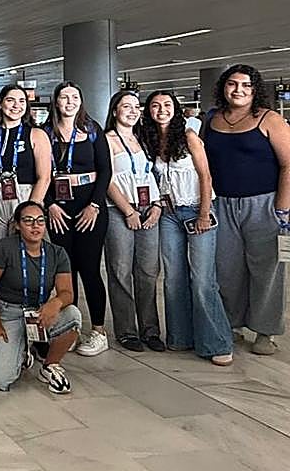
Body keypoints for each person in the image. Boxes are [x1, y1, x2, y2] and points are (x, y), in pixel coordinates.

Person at [201, 64, 290, 355]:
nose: (238, 90)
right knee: (227, 268)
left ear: (255, 90)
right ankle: (232, 323)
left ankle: (265, 330)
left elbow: (288, 164)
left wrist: (283, 209)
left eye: (246, 86)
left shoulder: (270, 119)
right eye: (232, 84)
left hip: (264, 204)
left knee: (267, 269)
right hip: (222, 204)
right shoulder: (212, 119)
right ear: (223, 88)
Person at [140, 91, 233, 365]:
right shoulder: (152, 140)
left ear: (176, 109)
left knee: (203, 278)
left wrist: (204, 213)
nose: (161, 110)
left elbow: (205, 175)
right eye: (155, 106)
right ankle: (181, 336)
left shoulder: (190, 137)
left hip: (196, 209)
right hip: (170, 214)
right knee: (174, 277)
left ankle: (216, 342)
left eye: (167, 105)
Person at [0, 202, 82, 394]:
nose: (35, 226)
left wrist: (55, 303)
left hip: (40, 313)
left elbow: (67, 293)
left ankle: (49, 365)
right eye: (28, 221)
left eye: (40, 221)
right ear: (17, 225)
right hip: (8, 313)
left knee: (73, 315)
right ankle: (21, 352)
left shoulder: (57, 253)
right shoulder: (5, 247)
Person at [43, 82, 112, 357]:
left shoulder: (92, 130)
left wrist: (94, 205)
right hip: (58, 209)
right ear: (56, 102)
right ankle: (69, 329)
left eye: (74, 97)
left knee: (90, 269)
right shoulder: (46, 132)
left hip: (90, 207)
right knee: (65, 271)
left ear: (81, 101)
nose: (69, 102)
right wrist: (50, 205)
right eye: (64, 97)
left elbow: (106, 171)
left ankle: (98, 330)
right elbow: (40, 172)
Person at [103, 91, 163, 352]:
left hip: (149, 209)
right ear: (114, 110)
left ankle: (150, 329)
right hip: (120, 211)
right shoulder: (107, 140)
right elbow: (107, 179)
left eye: (136, 106)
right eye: (125, 106)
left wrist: (158, 205)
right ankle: (127, 330)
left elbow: (155, 175)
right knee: (120, 271)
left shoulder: (145, 139)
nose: (132, 110)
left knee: (149, 272)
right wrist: (128, 211)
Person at [0, 85, 52, 248]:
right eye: (10, 100)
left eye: (22, 101)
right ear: (0, 104)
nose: (16, 105)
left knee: (28, 250)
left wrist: (31, 209)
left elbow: (44, 177)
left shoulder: (36, 134)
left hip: (26, 194)